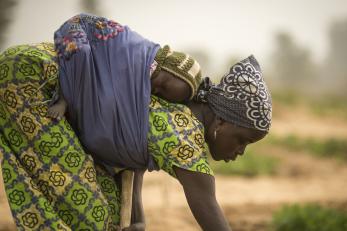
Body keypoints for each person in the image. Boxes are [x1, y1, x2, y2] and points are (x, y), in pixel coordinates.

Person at [46, 14, 203, 172]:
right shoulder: (136, 53)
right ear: (166, 68)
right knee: (80, 52)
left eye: (161, 94)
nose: (155, 90)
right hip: (81, 29)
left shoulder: (141, 84)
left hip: (95, 60)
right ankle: (64, 98)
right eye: (163, 85)